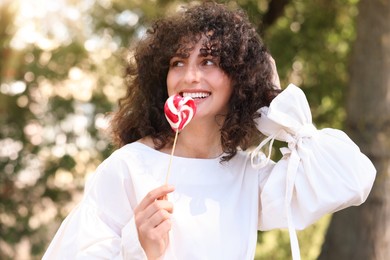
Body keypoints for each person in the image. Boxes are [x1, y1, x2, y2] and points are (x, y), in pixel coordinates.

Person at [43, 2, 376, 260]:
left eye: (209, 62)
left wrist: (273, 99)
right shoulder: (129, 166)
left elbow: (351, 177)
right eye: (178, 63)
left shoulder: (250, 175)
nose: (189, 76)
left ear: (239, 78)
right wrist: (140, 248)